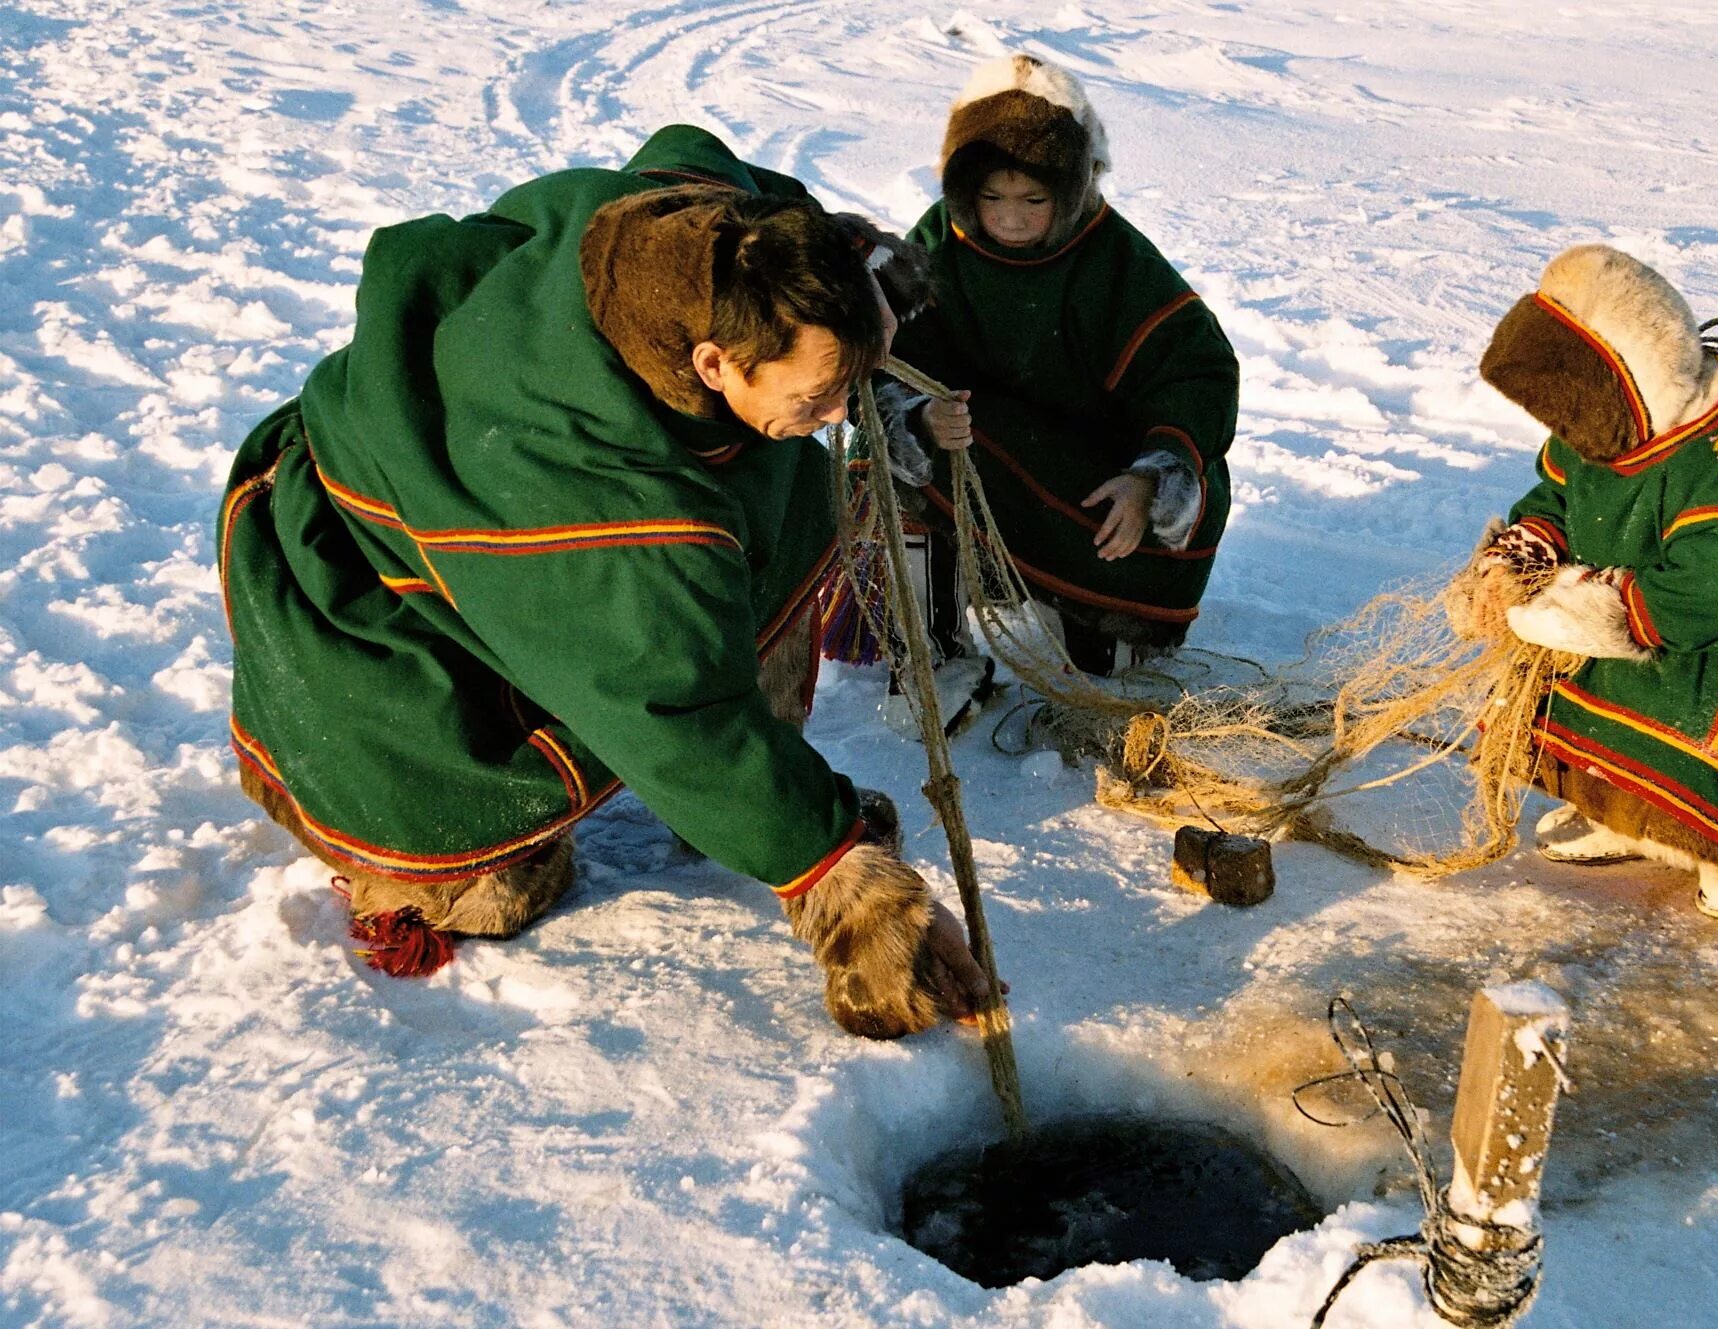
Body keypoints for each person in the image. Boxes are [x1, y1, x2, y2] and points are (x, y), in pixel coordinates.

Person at [216, 123, 991, 1037]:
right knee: (498, 891)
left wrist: (858, 280)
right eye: (815, 398)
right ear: (712, 361)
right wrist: (835, 872)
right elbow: (677, 710)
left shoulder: (691, 239)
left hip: (515, 518)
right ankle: (408, 857)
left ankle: (758, 797)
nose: (836, 416)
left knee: (782, 494)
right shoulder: (601, 499)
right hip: (375, 612)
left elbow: (695, 152)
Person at [1450, 244, 1718, 921]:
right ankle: (1628, 815)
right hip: (1634, 611)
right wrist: (1520, 555)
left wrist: (1599, 611)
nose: (1564, 428)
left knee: (1717, 696)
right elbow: (1558, 496)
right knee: (1577, 676)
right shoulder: (1604, 430)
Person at [842, 53, 1239, 717]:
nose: (1013, 219)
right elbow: (882, 359)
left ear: (1072, 189)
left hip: (1098, 479)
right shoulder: (939, 245)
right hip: (987, 453)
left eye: (1034, 200)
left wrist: (1151, 479)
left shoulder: (1116, 260)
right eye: (993, 199)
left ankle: (1094, 617)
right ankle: (933, 656)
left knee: (1108, 661)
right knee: (886, 457)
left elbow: (1195, 369)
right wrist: (917, 418)